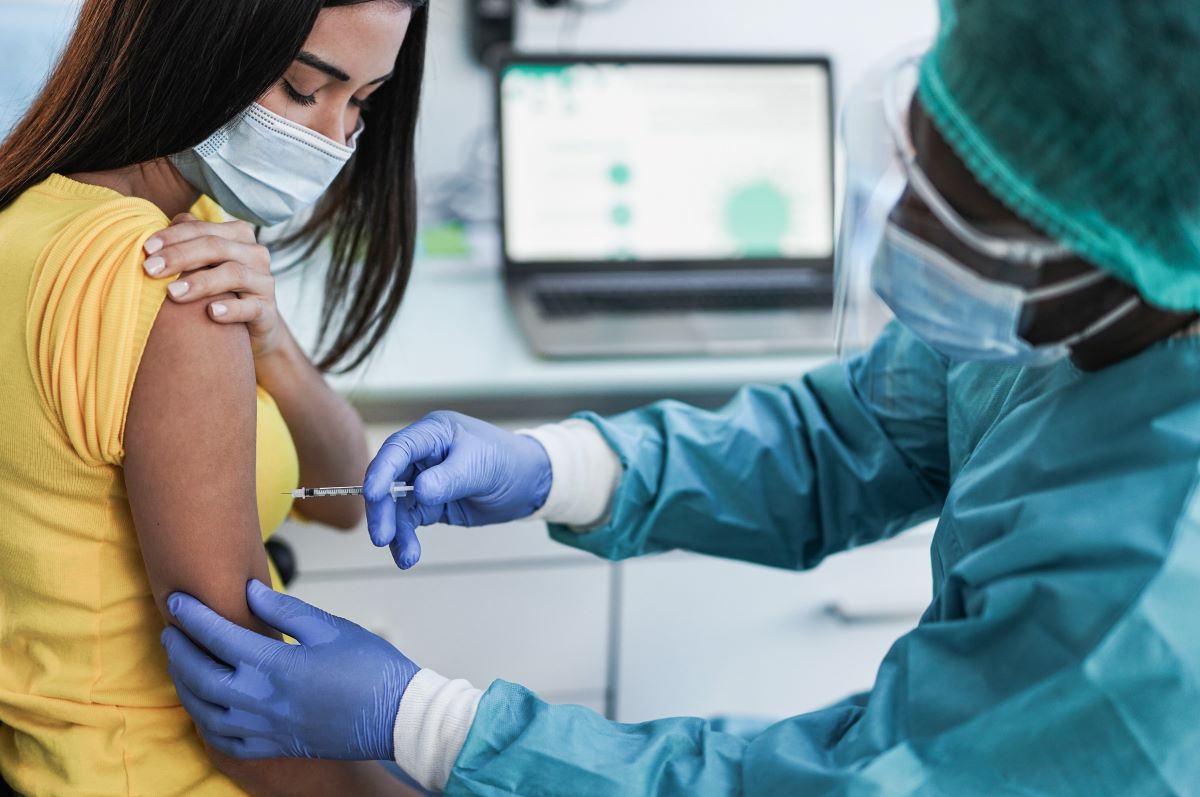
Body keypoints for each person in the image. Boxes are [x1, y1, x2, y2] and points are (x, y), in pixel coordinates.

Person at [163, 1, 1200, 794]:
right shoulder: (1054, 317)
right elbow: (841, 438)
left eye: (951, 217)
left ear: (1106, 247)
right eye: (911, 169)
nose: (899, 242)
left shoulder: (1156, 589)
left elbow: (869, 780)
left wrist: (432, 724)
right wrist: (556, 467)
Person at [0, 0, 428, 794]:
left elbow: (343, 495)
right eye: (304, 89)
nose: (334, 139)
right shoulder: (173, 280)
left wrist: (272, 343)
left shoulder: (56, 216)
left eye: (362, 102)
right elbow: (247, 718)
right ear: (201, 41)